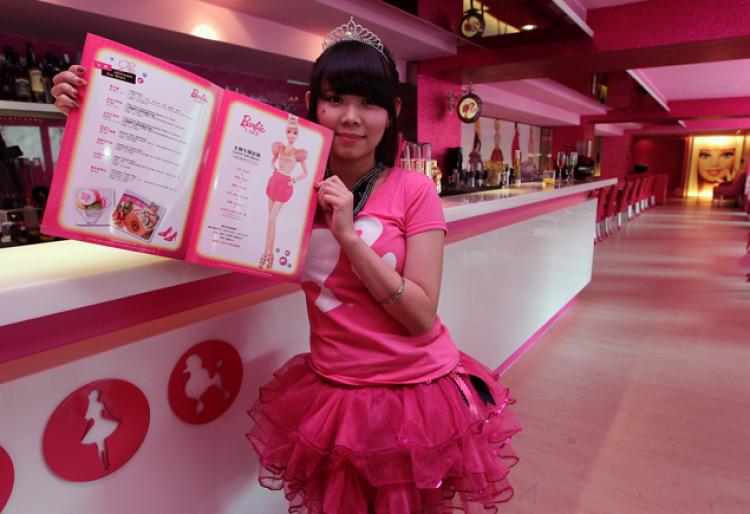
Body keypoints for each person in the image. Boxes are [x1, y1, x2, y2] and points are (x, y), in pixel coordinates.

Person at [50, 18, 520, 513]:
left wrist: (348, 237)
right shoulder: (285, 188)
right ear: (314, 104)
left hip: (413, 391)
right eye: (335, 99)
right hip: (337, 390)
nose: (350, 117)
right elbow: (179, 194)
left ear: (392, 113)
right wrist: (96, 115)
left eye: (369, 103)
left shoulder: (413, 190)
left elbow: (421, 316)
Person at [262, 115, 308, 269]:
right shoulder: (279, 148)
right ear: (285, 132)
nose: (291, 135)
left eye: (295, 133)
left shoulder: (298, 153)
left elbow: (305, 173)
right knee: (270, 220)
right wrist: (273, 168)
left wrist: (293, 180)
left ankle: (268, 255)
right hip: (274, 181)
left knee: (271, 219)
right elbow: (272, 161)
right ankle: (266, 253)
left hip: (285, 185)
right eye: (289, 132)